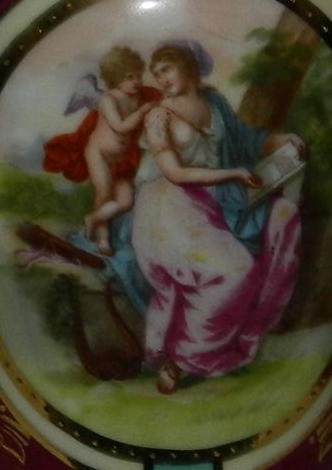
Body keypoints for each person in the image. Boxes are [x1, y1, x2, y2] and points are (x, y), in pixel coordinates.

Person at [129, 41, 303, 394]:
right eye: (156, 73)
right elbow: (174, 174)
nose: (161, 79)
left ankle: (249, 331)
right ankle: (182, 358)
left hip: (218, 199)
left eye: (166, 69)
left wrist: (282, 141)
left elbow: (247, 141)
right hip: (167, 206)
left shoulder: (215, 103)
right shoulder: (158, 116)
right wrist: (233, 174)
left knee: (285, 217)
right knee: (234, 271)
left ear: (188, 66)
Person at [43, 46, 160, 254]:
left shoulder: (139, 97)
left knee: (126, 201)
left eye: (138, 76)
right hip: (99, 155)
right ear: (115, 77)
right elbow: (120, 127)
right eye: (129, 77)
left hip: (123, 159)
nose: (136, 81)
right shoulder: (109, 99)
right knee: (104, 193)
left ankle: (93, 218)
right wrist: (142, 112)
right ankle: (103, 240)